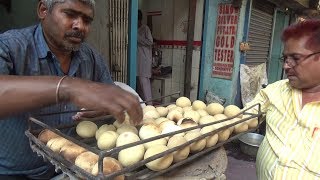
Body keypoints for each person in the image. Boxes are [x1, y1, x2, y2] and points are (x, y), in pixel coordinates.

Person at [0, 0, 142, 179]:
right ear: (43, 10)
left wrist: (104, 110)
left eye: (87, 20)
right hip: (14, 173)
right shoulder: (11, 46)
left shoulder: (91, 58)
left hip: (71, 168)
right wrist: (67, 87)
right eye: (70, 14)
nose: (80, 26)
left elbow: (109, 100)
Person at [243, 19, 320, 179]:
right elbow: (243, 118)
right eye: (285, 59)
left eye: (295, 58)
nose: (286, 66)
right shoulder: (275, 91)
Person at [137, 9, 153, 105]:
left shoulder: (145, 28)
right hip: (137, 60)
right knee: (139, 84)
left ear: (140, 20)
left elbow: (150, 42)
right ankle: (143, 105)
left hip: (144, 60)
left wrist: (138, 38)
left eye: (138, 20)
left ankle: (150, 105)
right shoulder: (134, 28)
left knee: (144, 83)